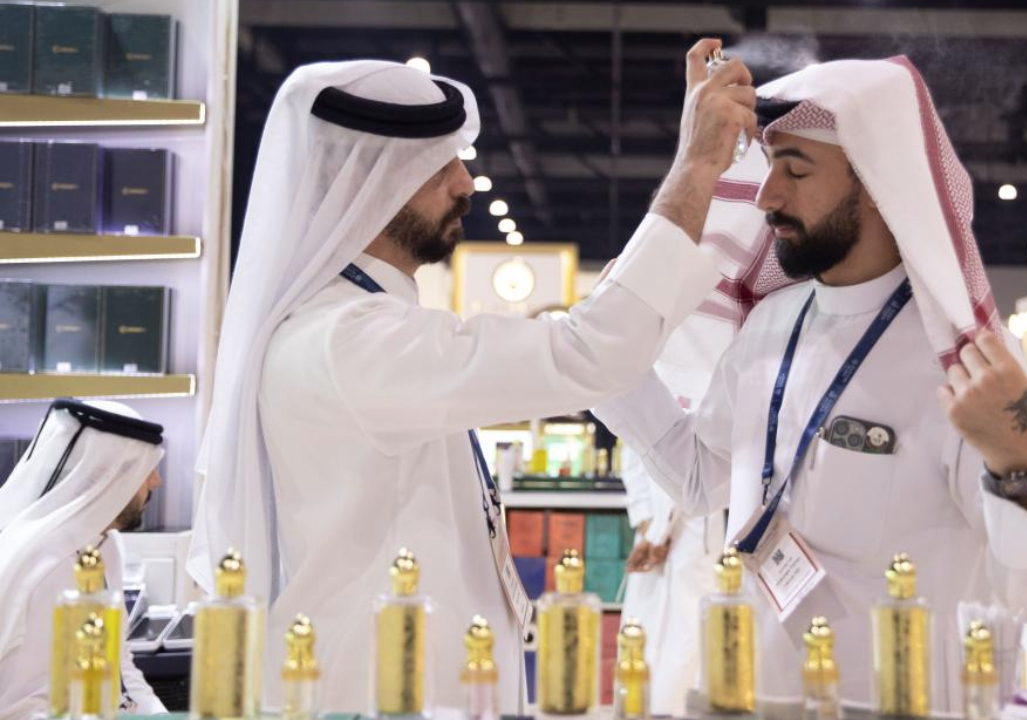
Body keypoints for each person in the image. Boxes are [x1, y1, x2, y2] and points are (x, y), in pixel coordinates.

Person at [189, 40, 756, 713]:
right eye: (439, 166)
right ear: (369, 181)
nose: (464, 183)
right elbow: (586, 354)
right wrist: (696, 166)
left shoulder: (362, 325)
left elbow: (598, 366)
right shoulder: (347, 340)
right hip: (381, 692)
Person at [594, 57, 1027, 711]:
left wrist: (1021, 464)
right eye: (769, 168)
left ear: (879, 183)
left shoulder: (960, 359)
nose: (767, 196)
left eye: (796, 171)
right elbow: (696, 477)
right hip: (756, 697)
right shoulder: (770, 324)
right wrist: (605, 353)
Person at [0, 399, 167, 718]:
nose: (156, 481)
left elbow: (119, 669)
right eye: (147, 470)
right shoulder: (47, 565)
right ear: (111, 476)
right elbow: (20, 709)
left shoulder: (105, 543)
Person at [619, 309, 731, 717]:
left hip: (694, 533)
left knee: (687, 636)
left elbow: (699, 469)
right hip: (653, 534)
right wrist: (648, 524)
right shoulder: (649, 375)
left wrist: (659, 532)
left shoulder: (710, 380)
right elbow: (633, 457)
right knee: (644, 628)